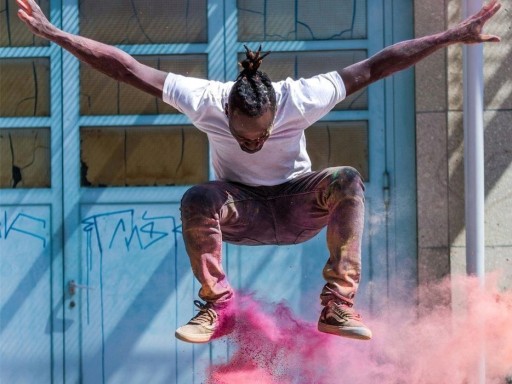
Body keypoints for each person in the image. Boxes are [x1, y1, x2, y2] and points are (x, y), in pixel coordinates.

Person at [17, 0, 501, 344]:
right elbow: (126, 68)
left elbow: (376, 66)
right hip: (241, 210)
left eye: (262, 135)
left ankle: (337, 305)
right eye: (243, 136)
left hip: (296, 206)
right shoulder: (204, 99)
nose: (253, 143)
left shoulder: (299, 97)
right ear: (226, 111)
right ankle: (216, 306)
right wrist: (57, 35)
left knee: (347, 179)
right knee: (198, 197)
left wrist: (451, 36)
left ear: (275, 113)